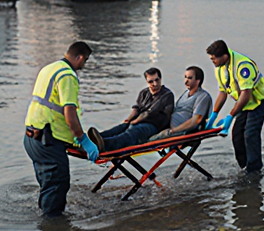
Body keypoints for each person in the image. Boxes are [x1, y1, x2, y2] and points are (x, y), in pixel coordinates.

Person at [24, 42, 100, 216]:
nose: (84, 65)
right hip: (48, 139)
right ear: (79, 57)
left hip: (31, 137)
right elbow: (69, 113)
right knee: (58, 184)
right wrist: (83, 140)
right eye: (85, 60)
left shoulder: (49, 68)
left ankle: (46, 228)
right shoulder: (67, 76)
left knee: (48, 186)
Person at [207, 40, 264, 172]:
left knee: (250, 134)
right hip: (244, 103)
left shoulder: (242, 66)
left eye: (214, 59)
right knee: (237, 134)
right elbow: (222, 92)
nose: (212, 62)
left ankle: (254, 170)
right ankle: (244, 166)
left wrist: (231, 116)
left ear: (224, 56)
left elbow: (246, 94)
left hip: (259, 101)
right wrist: (213, 115)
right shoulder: (220, 68)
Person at [87, 68, 175, 152]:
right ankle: (93, 140)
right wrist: (128, 119)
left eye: (157, 80)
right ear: (147, 82)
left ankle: (105, 144)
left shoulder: (167, 95)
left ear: (160, 79)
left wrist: (135, 121)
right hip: (139, 121)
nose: (155, 84)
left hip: (154, 125)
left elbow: (149, 113)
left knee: (132, 132)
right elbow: (136, 108)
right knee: (120, 127)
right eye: (151, 82)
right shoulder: (144, 93)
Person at [148, 66, 213, 141]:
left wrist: (174, 131)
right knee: (144, 126)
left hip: (178, 132)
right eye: (185, 77)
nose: (186, 81)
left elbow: (196, 120)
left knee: (148, 140)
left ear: (198, 81)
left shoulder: (203, 97)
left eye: (189, 78)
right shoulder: (185, 93)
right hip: (166, 125)